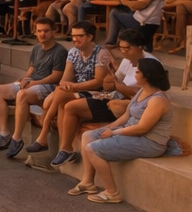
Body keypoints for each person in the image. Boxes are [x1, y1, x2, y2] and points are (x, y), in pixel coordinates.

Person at [74, 57, 175, 203]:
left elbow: (142, 128)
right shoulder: (142, 91)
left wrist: (114, 132)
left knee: (92, 149)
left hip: (149, 142)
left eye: (138, 72)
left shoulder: (158, 100)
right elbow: (127, 115)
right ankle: (88, 182)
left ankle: (112, 193)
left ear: (147, 76)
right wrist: (109, 127)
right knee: (88, 135)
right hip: (131, 132)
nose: (135, 74)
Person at [51, 27, 150, 167]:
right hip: (113, 97)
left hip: (125, 105)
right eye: (121, 48)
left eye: (127, 48)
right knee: (63, 103)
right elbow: (113, 82)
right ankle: (64, 149)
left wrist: (115, 85)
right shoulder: (128, 60)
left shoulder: (149, 64)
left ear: (140, 47)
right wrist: (110, 78)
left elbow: (143, 93)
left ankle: (63, 147)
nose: (123, 52)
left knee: (70, 107)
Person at [27, 21, 112, 156]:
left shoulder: (101, 53)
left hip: (97, 94)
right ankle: (64, 149)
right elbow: (64, 80)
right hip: (76, 91)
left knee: (57, 97)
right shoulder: (73, 52)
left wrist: (74, 86)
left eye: (79, 36)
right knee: (59, 100)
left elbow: (98, 82)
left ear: (90, 37)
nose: (75, 39)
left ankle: (44, 134)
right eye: (73, 36)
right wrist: (68, 86)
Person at [0, 17, 69, 156]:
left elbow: (56, 76)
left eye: (46, 31)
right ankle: (4, 133)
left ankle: (16, 138)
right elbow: (32, 69)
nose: (42, 34)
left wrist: (35, 83)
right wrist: (25, 79)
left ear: (53, 32)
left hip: (48, 86)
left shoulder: (60, 51)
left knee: (22, 95)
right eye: (39, 31)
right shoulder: (36, 49)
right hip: (32, 83)